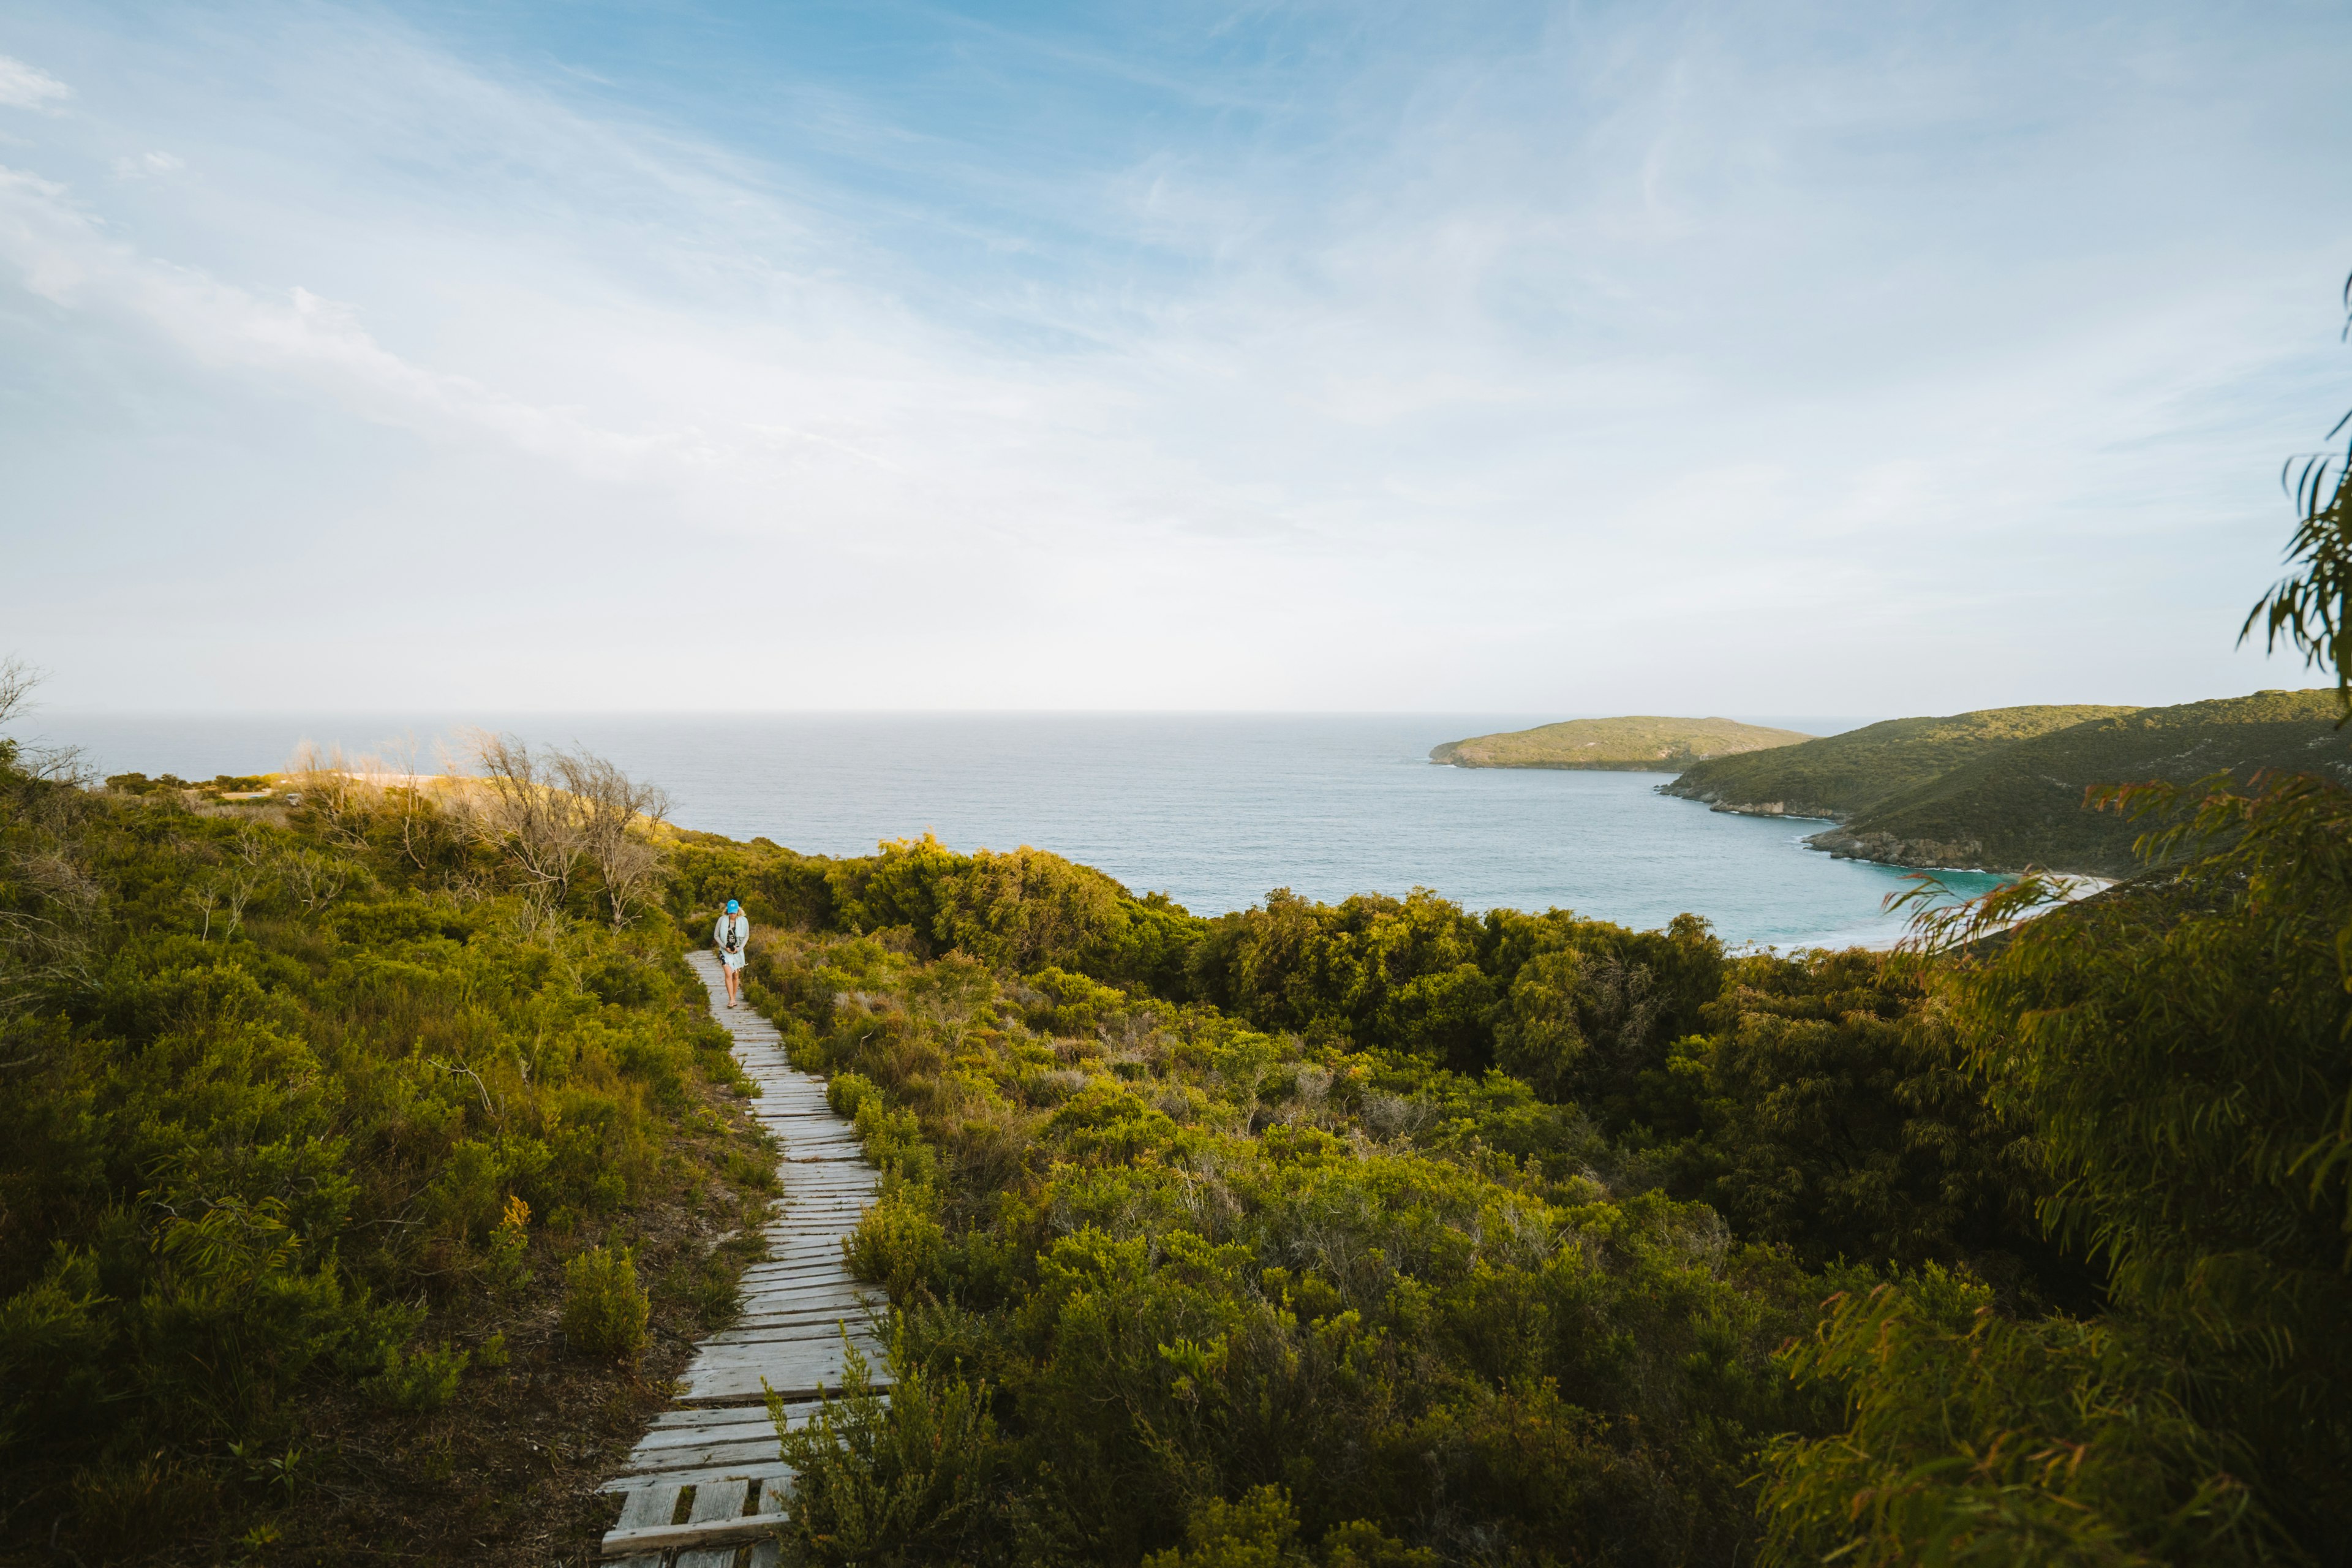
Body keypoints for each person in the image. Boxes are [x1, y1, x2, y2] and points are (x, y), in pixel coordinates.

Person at [713, 899, 750, 1008]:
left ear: (738, 910)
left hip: (738, 952)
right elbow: (716, 935)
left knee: (736, 975)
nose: (732, 914)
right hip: (724, 951)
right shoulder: (722, 920)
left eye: (734, 912)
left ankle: (734, 997)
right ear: (727, 911)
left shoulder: (744, 921)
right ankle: (731, 999)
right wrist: (725, 947)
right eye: (730, 911)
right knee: (728, 973)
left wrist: (739, 948)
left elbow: (747, 936)